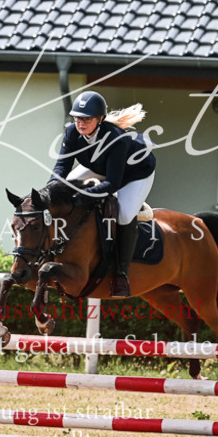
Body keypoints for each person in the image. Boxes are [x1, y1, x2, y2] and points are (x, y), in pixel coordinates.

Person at [49, 91, 156, 297]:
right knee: (65, 186)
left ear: (100, 120)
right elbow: (61, 167)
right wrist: (51, 190)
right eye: (77, 118)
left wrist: (85, 195)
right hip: (101, 167)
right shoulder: (72, 132)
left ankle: (121, 274)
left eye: (86, 119)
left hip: (135, 173)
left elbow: (112, 183)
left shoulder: (115, 139)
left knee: (124, 215)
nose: (80, 123)